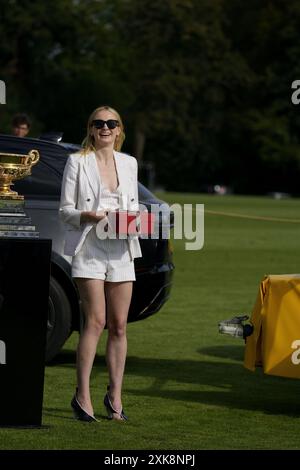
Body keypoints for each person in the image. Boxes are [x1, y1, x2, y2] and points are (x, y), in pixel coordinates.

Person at [59, 105, 142, 422]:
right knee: (95, 321)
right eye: (98, 123)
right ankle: (82, 396)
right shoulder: (76, 161)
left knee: (119, 325)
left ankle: (115, 397)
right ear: (91, 129)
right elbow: (65, 210)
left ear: (119, 130)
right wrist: (89, 215)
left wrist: (135, 222)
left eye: (111, 123)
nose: (105, 127)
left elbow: (134, 205)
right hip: (88, 247)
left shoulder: (129, 163)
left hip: (121, 249)